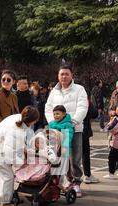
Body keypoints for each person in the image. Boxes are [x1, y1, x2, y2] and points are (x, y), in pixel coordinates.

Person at [45, 64, 88, 197]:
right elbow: (48, 108)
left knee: (75, 157)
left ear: (71, 75)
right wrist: (52, 122)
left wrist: (73, 122)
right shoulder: (54, 91)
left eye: (66, 74)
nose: (64, 76)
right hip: (57, 130)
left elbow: (83, 107)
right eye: (61, 74)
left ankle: (76, 182)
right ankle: (65, 180)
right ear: (58, 76)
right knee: (59, 156)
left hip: (74, 129)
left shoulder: (79, 89)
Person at [0, 106, 39, 206]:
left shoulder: (19, 119)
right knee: (7, 176)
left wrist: (25, 151)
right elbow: (11, 151)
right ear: (31, 120)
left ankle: (7, 197)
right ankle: (5, 203)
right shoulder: (16, 130)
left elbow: (17, 144)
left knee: (3, 175)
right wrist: (22, 164)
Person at [0, 70, 20, 185]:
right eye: (3, 79)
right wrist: (6, 131)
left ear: (13, 82)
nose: (5, 81)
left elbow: (17, 114)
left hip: (12, 132)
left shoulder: (14, 96)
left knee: (9, 162)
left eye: (8, 80)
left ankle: (8, 188)